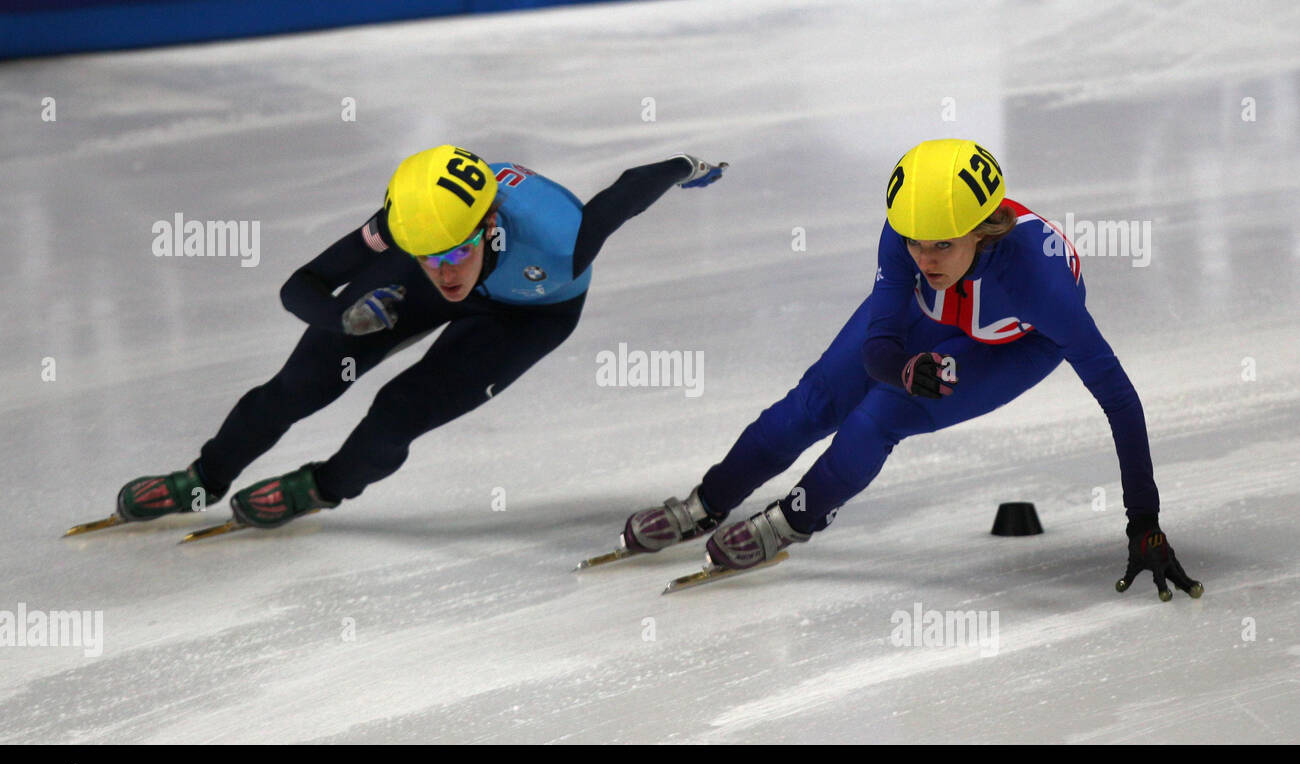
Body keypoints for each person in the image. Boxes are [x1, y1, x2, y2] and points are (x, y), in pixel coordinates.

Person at [621, 138, 1201, 602]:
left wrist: (1143, 522)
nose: (925, 258)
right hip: (933, 317)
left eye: (943, 245)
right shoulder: (904, 234)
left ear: (981, 227)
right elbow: (878, 349)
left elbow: (1120, 400)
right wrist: (903, 366)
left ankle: (790, 522)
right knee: (815, 401)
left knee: (876, 420)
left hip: (1012, 343)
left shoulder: (1039, 286)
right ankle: (706, 502)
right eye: (916, 243)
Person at [112, 145, 726, 529]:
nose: (445, 270)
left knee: (398, 411)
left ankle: (325, 487)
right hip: (426, 276)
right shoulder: (411, 230)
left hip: (529, 313)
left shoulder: (563, 238)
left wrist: (688, 167)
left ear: (487, 226)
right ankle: (204, 477)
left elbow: (627, 192)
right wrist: (344, 321)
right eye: (428, 255)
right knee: (298, 386)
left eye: (457, 252)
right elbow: (301, 287)